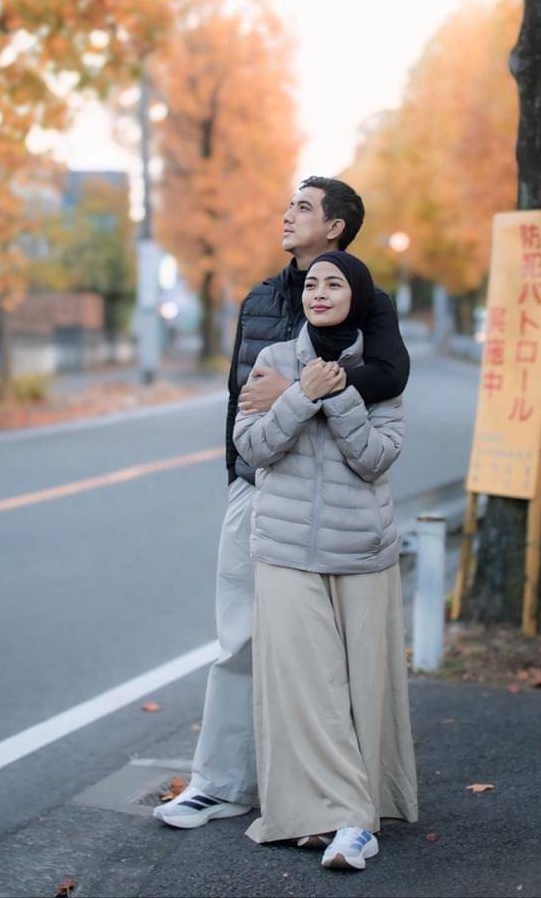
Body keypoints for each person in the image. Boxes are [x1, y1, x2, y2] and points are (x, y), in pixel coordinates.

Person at [154, 177, 409, 830]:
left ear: (337, 227)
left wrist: (299, 387)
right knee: (238, 639)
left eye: (303, 207)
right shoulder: (261, 300)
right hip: (258, 484)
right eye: (288, 204)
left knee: (332, 659)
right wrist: (243, 466)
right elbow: (244, 395)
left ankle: (323, 793)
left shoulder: (365, 297)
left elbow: (388, 378)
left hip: (342, 503)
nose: (287, 215)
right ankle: (221, 782)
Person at [232, 249, 417, 871]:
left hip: (361, 549)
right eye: (312, 283)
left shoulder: (381, 371)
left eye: (334, 284)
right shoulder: (274, 360)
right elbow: (253, 447)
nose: (319, 292)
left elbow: (375, 457)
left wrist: (332, 394)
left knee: (362, 687)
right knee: (306, 690)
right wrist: (297, 395)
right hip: (285, 549)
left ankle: (358, 812)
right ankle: (331, 818)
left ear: (357, 297)